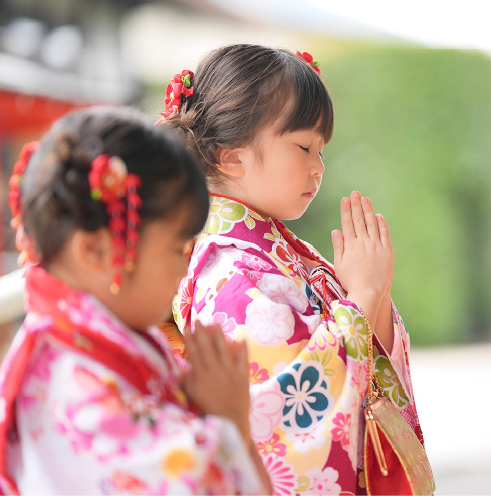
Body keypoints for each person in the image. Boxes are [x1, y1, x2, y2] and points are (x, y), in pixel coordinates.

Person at [160, 44, 425, 495]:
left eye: (321, 150)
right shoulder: (228, 270)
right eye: (304, 145)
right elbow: (290, 411)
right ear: (231, 155)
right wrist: (360, 297)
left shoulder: (265, 250)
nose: (318, 167)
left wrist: (372, 295)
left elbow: (361, 359)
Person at [0, 106, 271, 495]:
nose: (185, 268)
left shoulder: (78, 346)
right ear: (96, 251)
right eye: (177, 249)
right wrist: (230, 422)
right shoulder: (73, 386)